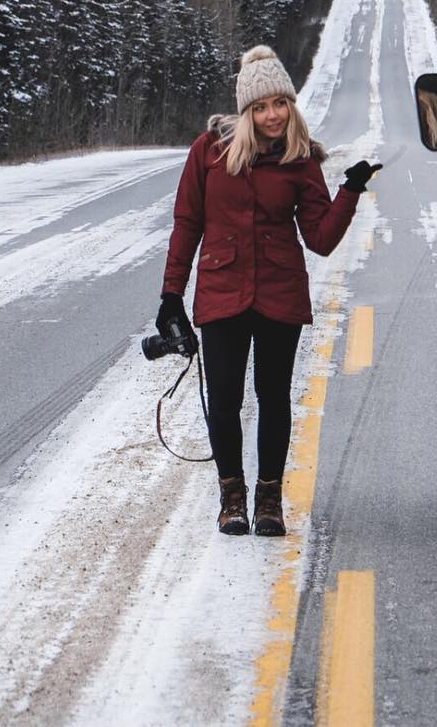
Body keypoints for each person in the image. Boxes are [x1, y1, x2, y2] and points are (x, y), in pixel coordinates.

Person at [155, 45, 380, 538]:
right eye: (260, 107)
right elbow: (187, 223)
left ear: (291, 105)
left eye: (279, 104)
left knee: (274, 397)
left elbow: (320, 239)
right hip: (222, 291)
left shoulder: (300, 161)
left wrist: (349, 192)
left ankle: (269, 499)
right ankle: (232, 498)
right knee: (225, 399)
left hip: (278, 292)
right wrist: (171, 295)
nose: (272, 115)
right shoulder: (208, 154)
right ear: (245, 111)